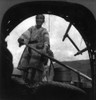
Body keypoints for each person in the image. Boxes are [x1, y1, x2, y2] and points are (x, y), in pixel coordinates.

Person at [17, 14, 50, 85]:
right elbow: (25, 35)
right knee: (25, 69)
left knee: (35, 72)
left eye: (40, 18)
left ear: (43, 21)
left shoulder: (44, 31)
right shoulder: (31, 28)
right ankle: (25, 85)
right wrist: (21, 39)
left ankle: (34, 86)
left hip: (38, 52)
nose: (38, 20)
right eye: (37, 18)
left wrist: (44, 49)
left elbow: (46, 41)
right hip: (29, 50)